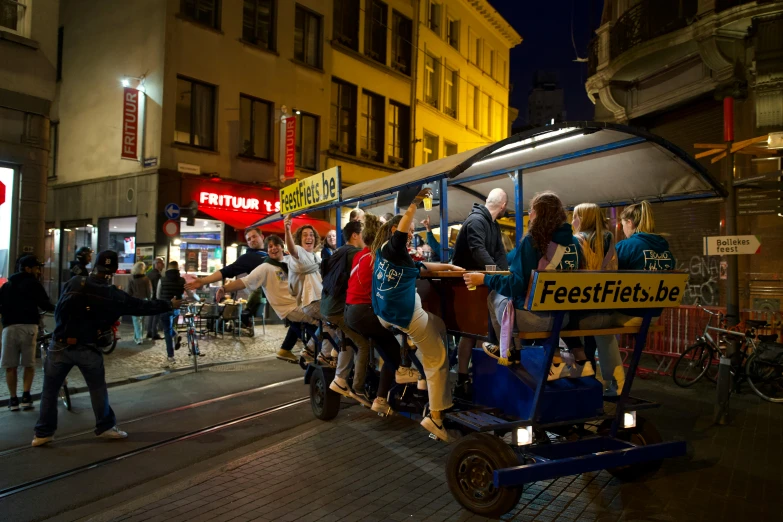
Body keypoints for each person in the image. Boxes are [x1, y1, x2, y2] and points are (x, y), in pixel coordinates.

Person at [32, 251, 182, 446]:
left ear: (95, 266)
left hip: (60, 344)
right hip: (88, 346)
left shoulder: (75, 282)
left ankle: (43, 433)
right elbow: (141, 307)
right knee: (97, 388)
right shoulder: (111, 293)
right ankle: (105, 426)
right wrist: (168, 304)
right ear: (112, 271)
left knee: (49, 390)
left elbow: (60, 310)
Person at [372, 188, 464, 441]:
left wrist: (449, 267)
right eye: (410, 231)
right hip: (407, 316)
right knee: (437, 362)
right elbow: (401, 231)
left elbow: (422, 268)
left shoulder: (385, 253)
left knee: (439, 326)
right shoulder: (393, 246)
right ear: (395, 232)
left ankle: (413, 351)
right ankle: (435, 418)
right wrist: (413, 203)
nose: (412, 235)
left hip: (386, 315)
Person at [463, 191, 582, 378]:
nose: (529, 215)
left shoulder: (533, 241)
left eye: (531, 211)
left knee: (495, 296)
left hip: (537, 319)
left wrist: (484, 279)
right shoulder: (574, 243)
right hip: (565, 317)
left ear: (538, 214)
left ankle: (509, 350)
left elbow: (516, 285)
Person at [593, 201, 675, 394]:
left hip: (631, 313)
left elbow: (605, 278)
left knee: (595, 324)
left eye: (623, 225)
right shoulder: (665, 249)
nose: (623, 229)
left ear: (630, 222)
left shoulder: (626, 247)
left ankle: (612, 382)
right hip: (653, 313)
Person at [345, 214, 417, 416]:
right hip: (365, 311)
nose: (410, 234)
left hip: (352, 311)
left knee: (389, 349)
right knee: (396, 347)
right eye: (409, 231)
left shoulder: (363, 254)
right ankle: (404, 377)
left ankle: (381, 399)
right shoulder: (379, 256)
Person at [219, 235, 320, 363]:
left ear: (282, 246)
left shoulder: (289, 260)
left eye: (276, 245)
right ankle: (311, 351)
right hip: (289, 308)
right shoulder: (265, 267)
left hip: (301, 302)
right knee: (323, 322)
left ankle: (299, 349)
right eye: (270, 247)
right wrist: (224, 288)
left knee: (311, 324)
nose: (273, 249)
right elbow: (245, 281)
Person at [450, 188, 510, 393]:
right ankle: (462, 378)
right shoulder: (477, 220)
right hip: (467, 285)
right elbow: (478, 250)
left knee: (477, 332)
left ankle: (475, 376)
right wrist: (496, 274)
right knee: (470, 332)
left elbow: (499, 253)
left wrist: (503, 274)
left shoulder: (492, 224)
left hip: (480, 283)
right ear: (503, 206)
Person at [560, 204, 617, 375]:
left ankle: (581, 366)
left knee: (559, 320)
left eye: (576, 216)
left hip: (582, 306)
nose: (573, 220)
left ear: (584, 219)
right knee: (593, 339)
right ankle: (595, 374)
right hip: (606, 307)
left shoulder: (577, 240)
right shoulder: (609, 238)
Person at [321, 220, 372, 406]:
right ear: (355, 235)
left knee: (351, 336)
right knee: (364, 344)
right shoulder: (355, 254)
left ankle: (342, 375)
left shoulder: (339, 251)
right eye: (363, 233)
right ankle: (358, 388)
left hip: (327, 307)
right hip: (338, 310)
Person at [0, 256, 55, 411]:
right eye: (36, 268)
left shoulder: (7, 285)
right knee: (28, 364)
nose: (38, 271)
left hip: (9, 328)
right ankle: (26, 396)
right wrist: (58, 309)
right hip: (29, 327)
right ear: (28, 269)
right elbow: (45, 304)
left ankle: (13, 399)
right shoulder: (34, 284)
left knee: (10, 366)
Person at [283, 215, 340, 362]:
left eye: (311, 235)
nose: (309, 237)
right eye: (305, 235)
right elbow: (291, 248)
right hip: (312, 301)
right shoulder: (299, 253)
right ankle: (327, 354)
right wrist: (287, 229)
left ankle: (310, 350)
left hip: (319, 300)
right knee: (339, 320)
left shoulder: (316, 257)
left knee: (330, 324)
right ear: (299, 240)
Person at [185, 227, 268, 294]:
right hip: (267, 300)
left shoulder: (270, 252)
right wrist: (203, 281)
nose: (252, 240)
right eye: (249, 239)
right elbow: (226, 271)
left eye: (254, 236)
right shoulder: (248, 257)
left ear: (262, 237)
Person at [158, 261, 200, 367]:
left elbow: (157, 295)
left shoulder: (162, 280)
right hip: (176, 308)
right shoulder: (181, 280)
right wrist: (198, 299)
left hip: (164, 307)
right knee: (171, 327)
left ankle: (170, 356)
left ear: (168, 269)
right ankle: (176, 335)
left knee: (167, 331)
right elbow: (190, 293)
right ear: (177, 270)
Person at [126, 262, 153, 345]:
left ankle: (138, 338)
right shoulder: (146, 279)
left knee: (136, 320)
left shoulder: (131, 279)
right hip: (143, 301)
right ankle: (139, 337)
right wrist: (149, 300)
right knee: (141, 320)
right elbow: (149, 292)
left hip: (134, 301)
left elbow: (128, 291)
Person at [145, 258, 165, 340]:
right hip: (155, 298)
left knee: (151, 315)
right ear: (157, 264)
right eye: (161, 263)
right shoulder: (157, 275)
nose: (163, 265)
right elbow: (158, 288)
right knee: (156, 316)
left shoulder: (150, 274)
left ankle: (149, 332)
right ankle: (154, 333)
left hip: (150, 298)